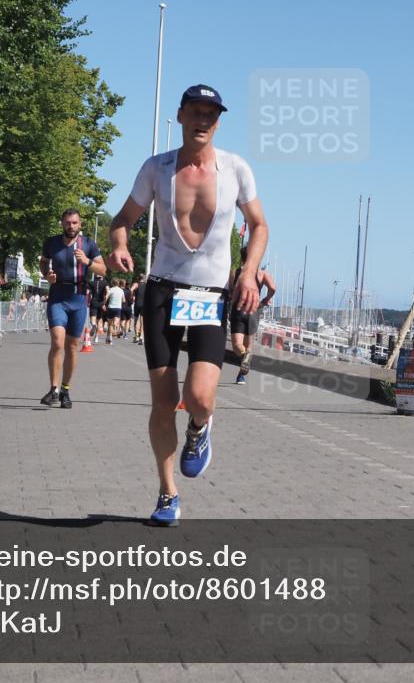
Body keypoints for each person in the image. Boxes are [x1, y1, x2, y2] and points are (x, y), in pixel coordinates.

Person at [108, 84, 268, 526]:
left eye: (211, 114)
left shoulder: (236, 168)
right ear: (180, 116)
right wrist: (119, 244)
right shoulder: (156, 168)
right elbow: (122, 220)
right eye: (195, 111)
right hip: (162, 289)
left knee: (197, 397)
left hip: (208, 294)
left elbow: (259, 226)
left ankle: (200, 428)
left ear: (218, 121)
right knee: (163, 401)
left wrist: (250, 272)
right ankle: (167, 494)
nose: (203, 120)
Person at [39, 209, 106, 409]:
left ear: (80, 224)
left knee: (72, 347)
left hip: (78, 297)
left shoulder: (88, 245)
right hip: (58, 296)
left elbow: (103, 269)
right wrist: (47, 274)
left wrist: (87, 262)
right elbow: (44, 263)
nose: (71, 226)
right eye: (68, 223)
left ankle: (66, 390)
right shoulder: (51, 242)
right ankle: (54, 389)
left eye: (75, 223)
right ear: (62, 223)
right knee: (57, 342)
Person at [228, 245, 276, 384]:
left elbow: (231, 292)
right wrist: (265, 300)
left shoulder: (234, 272)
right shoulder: (262, 274)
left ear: (242, 257)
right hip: (253, 311)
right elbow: (273, 288)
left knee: (237, 344)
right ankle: (241, 376)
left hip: (238, 310)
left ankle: (244, 356)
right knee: (249, 345)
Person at [89, 273, 108, 343]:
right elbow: (108, 291)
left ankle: (93, 325)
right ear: (101, 276)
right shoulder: (105, 282)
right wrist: (105, 301)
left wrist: (88, 301)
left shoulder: (91, 282)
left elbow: (88, 293)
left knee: (92, 319)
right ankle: (96, 337)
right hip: (101, 303)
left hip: (93, 302)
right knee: (98, 320)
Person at [105, 279, 126, 343]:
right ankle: (115, 328)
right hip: (118, 308)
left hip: (111, 307)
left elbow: (106, 297)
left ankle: (110, 337)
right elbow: (124, 300)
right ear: (118, 283)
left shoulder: (110, 289)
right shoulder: (121, 290)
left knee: (110, 324)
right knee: (115, 322)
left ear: (112, 283)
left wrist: (104, 303)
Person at [131, 277, 147, 345]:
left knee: (136, 320)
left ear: (138, 279)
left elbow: (131, 289)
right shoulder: (147, 285)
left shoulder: (136, 284)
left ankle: (136, 336)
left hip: (137, 304)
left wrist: (132, 296)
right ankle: (141, 337)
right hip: (144, 305)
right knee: (142, 322)